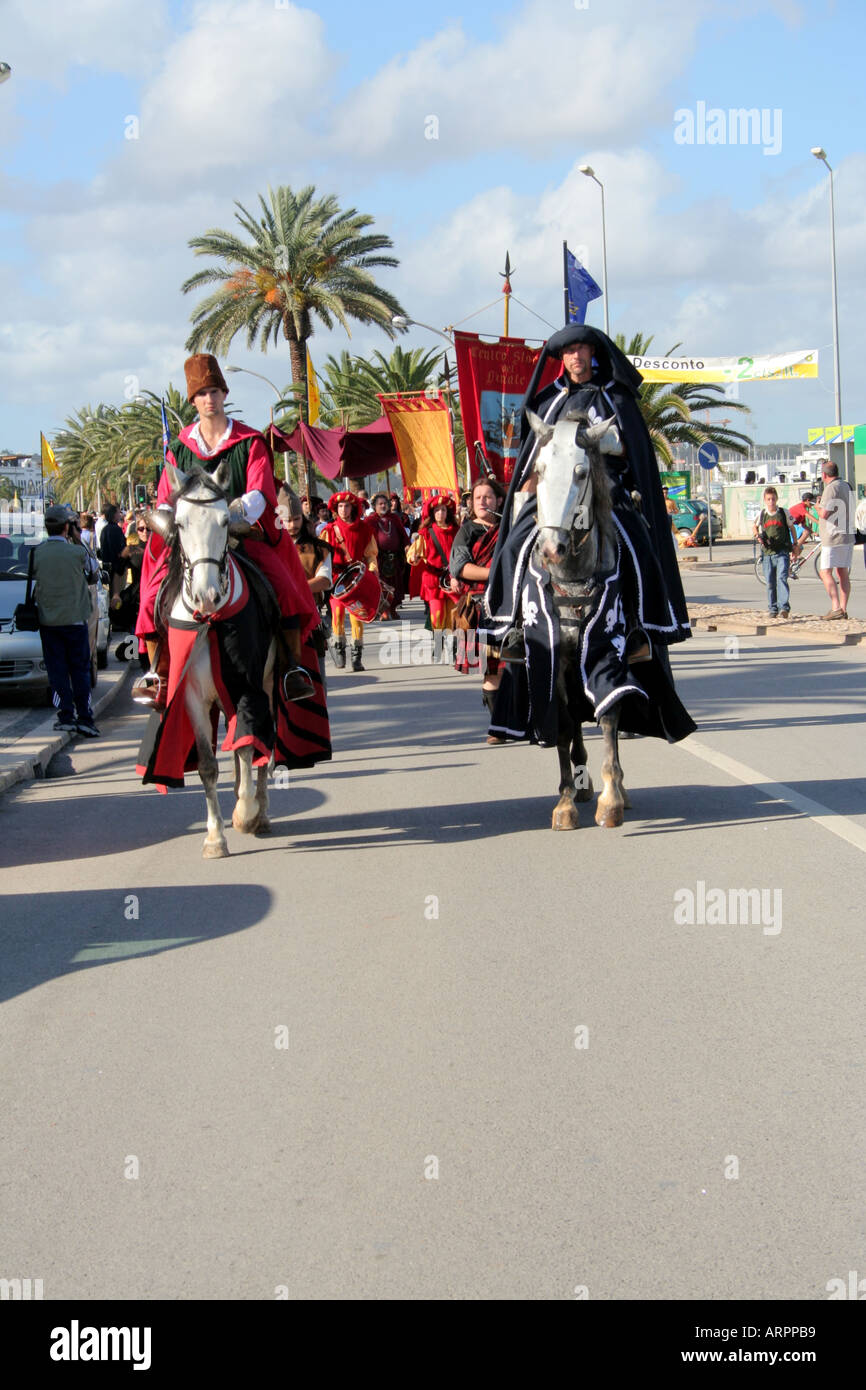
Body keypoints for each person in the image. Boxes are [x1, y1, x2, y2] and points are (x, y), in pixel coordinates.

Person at [484, 322, 693, 747]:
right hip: (555, 496)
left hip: (605, 491)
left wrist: (615, 460)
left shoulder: (615, 398)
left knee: (637, 546)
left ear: (592, 354)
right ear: (560, 359)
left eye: (580, 350)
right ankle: (512, 629)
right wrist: (528, 486)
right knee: (514, 546)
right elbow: (534, 454)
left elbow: (635, 455)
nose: (575, 358)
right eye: (568, 352)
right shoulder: (548, 401)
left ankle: (638, 629)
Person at [134, 353, 318, 706]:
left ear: (224, 394)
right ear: (193, 400)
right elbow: (164, 498)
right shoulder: (178, 449)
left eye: (215, 391)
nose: (209, 399)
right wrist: (167, 519)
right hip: (191, 542)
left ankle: (292, 668)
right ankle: (157, 672)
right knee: (150, 597)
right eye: (202, 393)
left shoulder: (250, 441)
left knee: (285, 587)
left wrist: (232, 515)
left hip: (239, 535)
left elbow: (260, 491)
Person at [31, 504, 100, 736]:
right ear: (67, 528)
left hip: (49, 622)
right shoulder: (78, 552)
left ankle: (66, 715)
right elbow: (94, 572)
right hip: (75, 621)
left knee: (57, 671)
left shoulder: (37, 553)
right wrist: (77, 539)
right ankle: (85, 717)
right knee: (80, 670)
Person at [450, 476, 506, 741]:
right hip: (481, 607)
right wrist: (497, 572)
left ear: (499, 500)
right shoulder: (467, 530)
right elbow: (460, 568)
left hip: (514, 603)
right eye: (478, 497)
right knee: (492, 668)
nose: (483, 501)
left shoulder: (510, 527)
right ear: (471, 502)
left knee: (517, 667)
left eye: (488, 497)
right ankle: (497, 726)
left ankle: (519, 720)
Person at [319, 491, 378, 670]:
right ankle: (339, 651)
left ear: (353, 508)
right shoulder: (328, 531)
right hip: (337, 580)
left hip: (356, 580)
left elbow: (371, 555)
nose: (344, 509)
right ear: (336, 509)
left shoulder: (365, 529)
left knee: (356, 617)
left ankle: (356, 657)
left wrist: (373, 572)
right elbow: (321, 556)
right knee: (336, 615)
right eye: (340, 506)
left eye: (347, 506)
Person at [412, 494, 459, 638]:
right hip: (433, 579)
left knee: (453, 615)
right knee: (437, 614)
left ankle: (452, 646)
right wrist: (413, 557)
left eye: (443, 510)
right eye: (437, 510)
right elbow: (415, 552)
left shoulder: (457, 531)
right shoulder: (425, 533)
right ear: (432, 513)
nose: (440, 513)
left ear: (448, 512)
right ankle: (438, 642)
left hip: (452, 579)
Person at [814, 460, 854, 619]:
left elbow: (824, 514)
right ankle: (843, 609)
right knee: (843, 572)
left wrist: (817, 506)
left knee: (825, 572)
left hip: (832, 536)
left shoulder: (830, 488)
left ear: (824, 474)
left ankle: (835, 607)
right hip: (847, 535)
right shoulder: (846, 485)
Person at [752, 486, 799, 618]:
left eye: (773, 499)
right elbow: (754, 526)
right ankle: (773, 608)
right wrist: (758, 536)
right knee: (770, 582)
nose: (771, 502)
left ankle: (784, 607)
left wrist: (795, 544)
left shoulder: (784, 513)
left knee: (781, 578)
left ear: (776, 499)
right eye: (768, 499)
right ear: (765, 500)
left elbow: (792, 528)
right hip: (767, 553)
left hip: (782, 552)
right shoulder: (762, 514)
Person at [369, 491, 408, 620]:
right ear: (375, 506)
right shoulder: (370, 520)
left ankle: (393, 609)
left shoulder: (394, 518)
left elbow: (403, 535)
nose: (383, 506)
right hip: (379, 558)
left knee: (395, 585)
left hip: (395, 558)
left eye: (385, 503)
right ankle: (384, 610)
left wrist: (407, 546)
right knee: (383, 585)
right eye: (380, 504)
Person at [97, 504, 125, 579]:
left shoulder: (105, 529)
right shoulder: (115, 529)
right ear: (114, 515)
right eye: (118, 513)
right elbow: (119, 549)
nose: (120, 515)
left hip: (107, 565)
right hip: (116, 567)